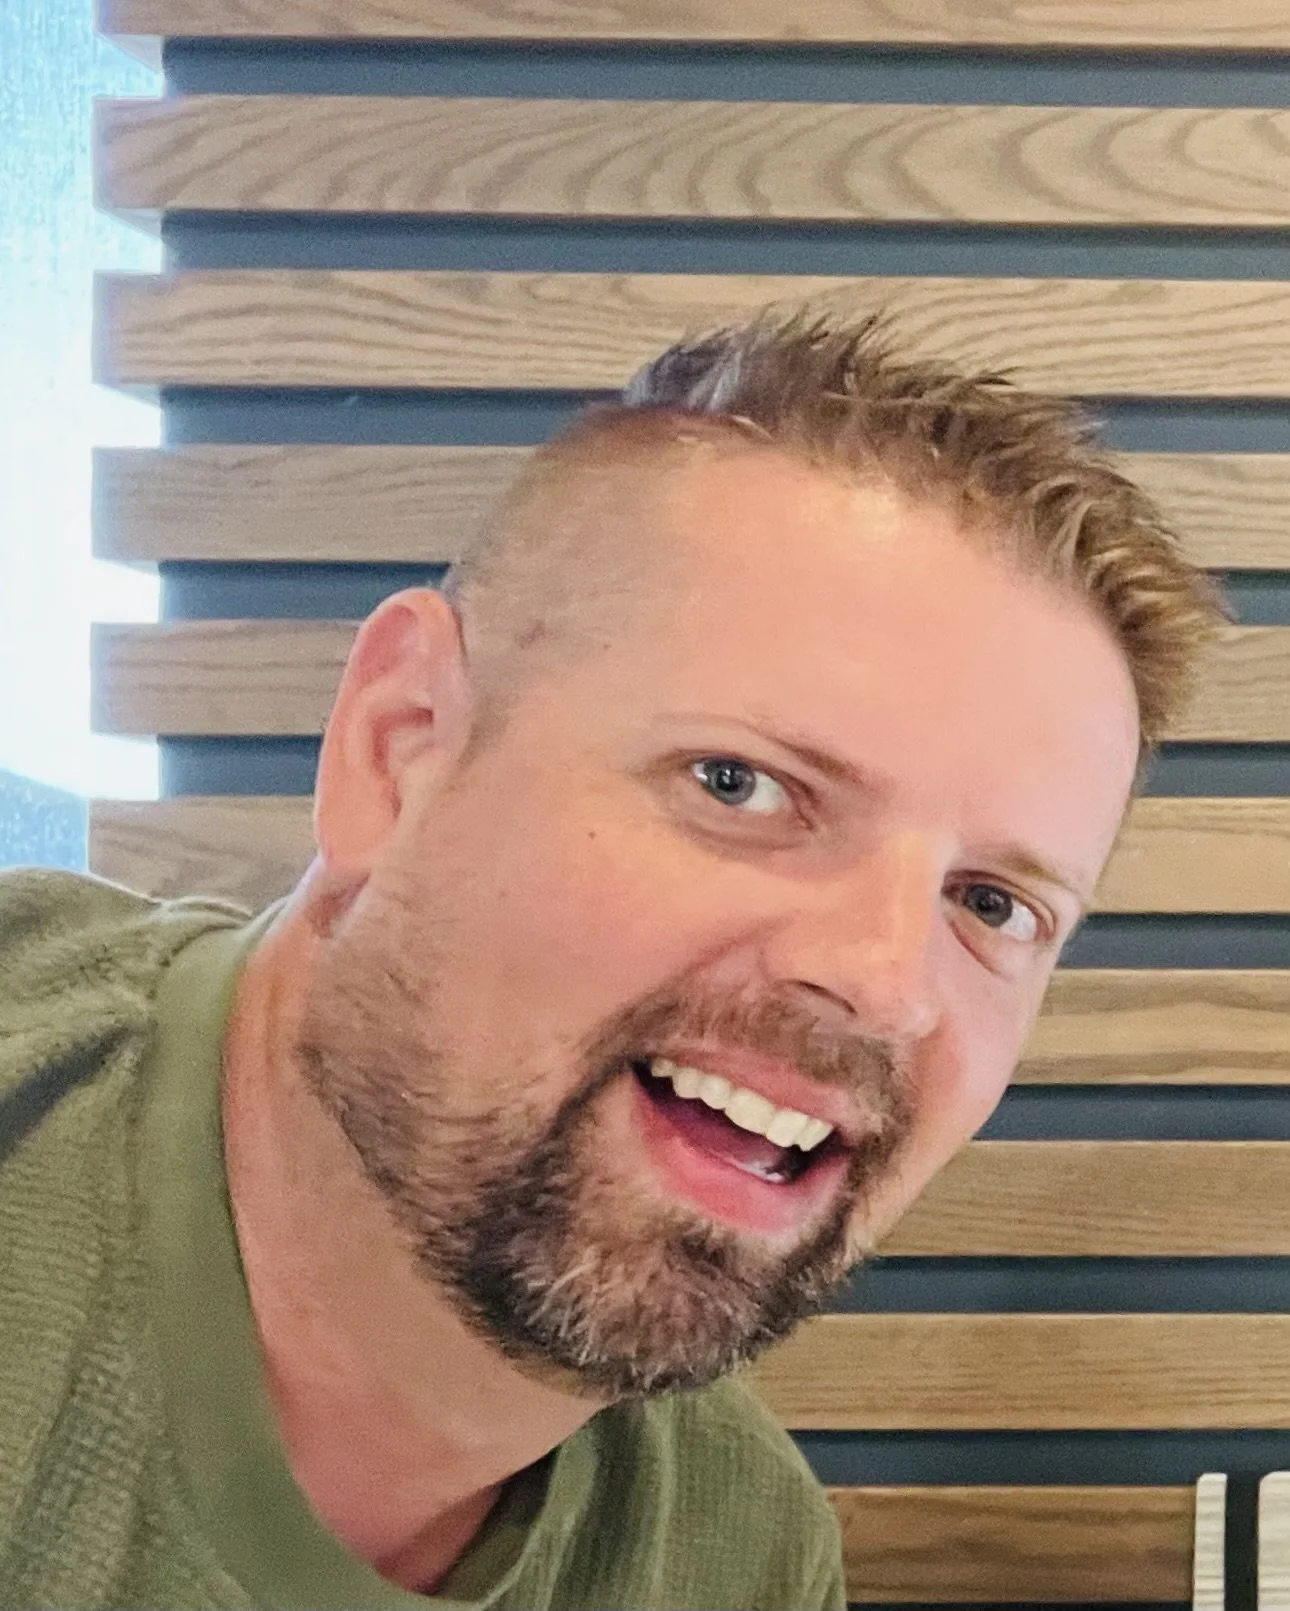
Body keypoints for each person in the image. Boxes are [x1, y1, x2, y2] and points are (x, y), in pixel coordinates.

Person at [0, 309, 1224, 1609]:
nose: (882, 980)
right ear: (397, 748)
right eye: (738, 783)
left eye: (988, 902)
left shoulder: (734, 1553)